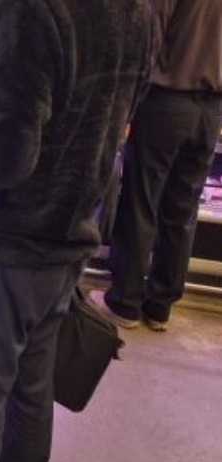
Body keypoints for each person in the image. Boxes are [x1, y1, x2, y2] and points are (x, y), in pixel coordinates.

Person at [0, 0, 151, 462]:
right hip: (70, 235)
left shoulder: (30, 10)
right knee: (31, 390)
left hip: (6, 241)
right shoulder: (139, 8)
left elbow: (1, 159)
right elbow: (125, 110)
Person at [89, 0, 222, 333]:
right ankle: (161, 305)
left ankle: (125, 302)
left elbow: (150, 38)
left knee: (141, 203)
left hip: (165, 100)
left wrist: (127, 106)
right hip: (210, 109)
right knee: (182, 210)